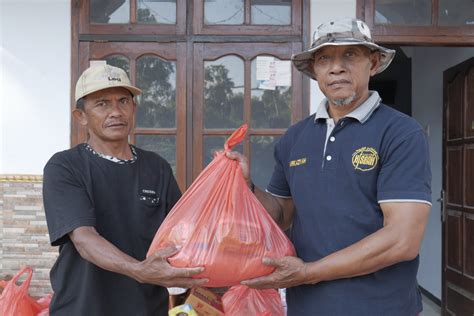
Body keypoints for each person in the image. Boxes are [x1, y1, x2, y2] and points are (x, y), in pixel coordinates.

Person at [227, 18, 432, 315]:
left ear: (372, 63)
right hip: (308, 307)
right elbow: (281, 215)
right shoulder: (295, 138)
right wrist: (247, 186)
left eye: (350, 55)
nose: (336, 67)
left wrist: (308, 273)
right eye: (325, 58)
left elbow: (402, 240)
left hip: (382, 307)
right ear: (314, 71)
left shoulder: (400, 133)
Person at [43, 64, 207, 315]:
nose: (116, 112)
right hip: (83, 308)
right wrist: (139, 271)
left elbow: (182, 236)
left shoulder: (157, 167)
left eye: (123, 101)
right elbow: (84, 239)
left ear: (134, 108)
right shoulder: (65, 166)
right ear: (81, 116)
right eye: (102, 104)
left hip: (146, 308)